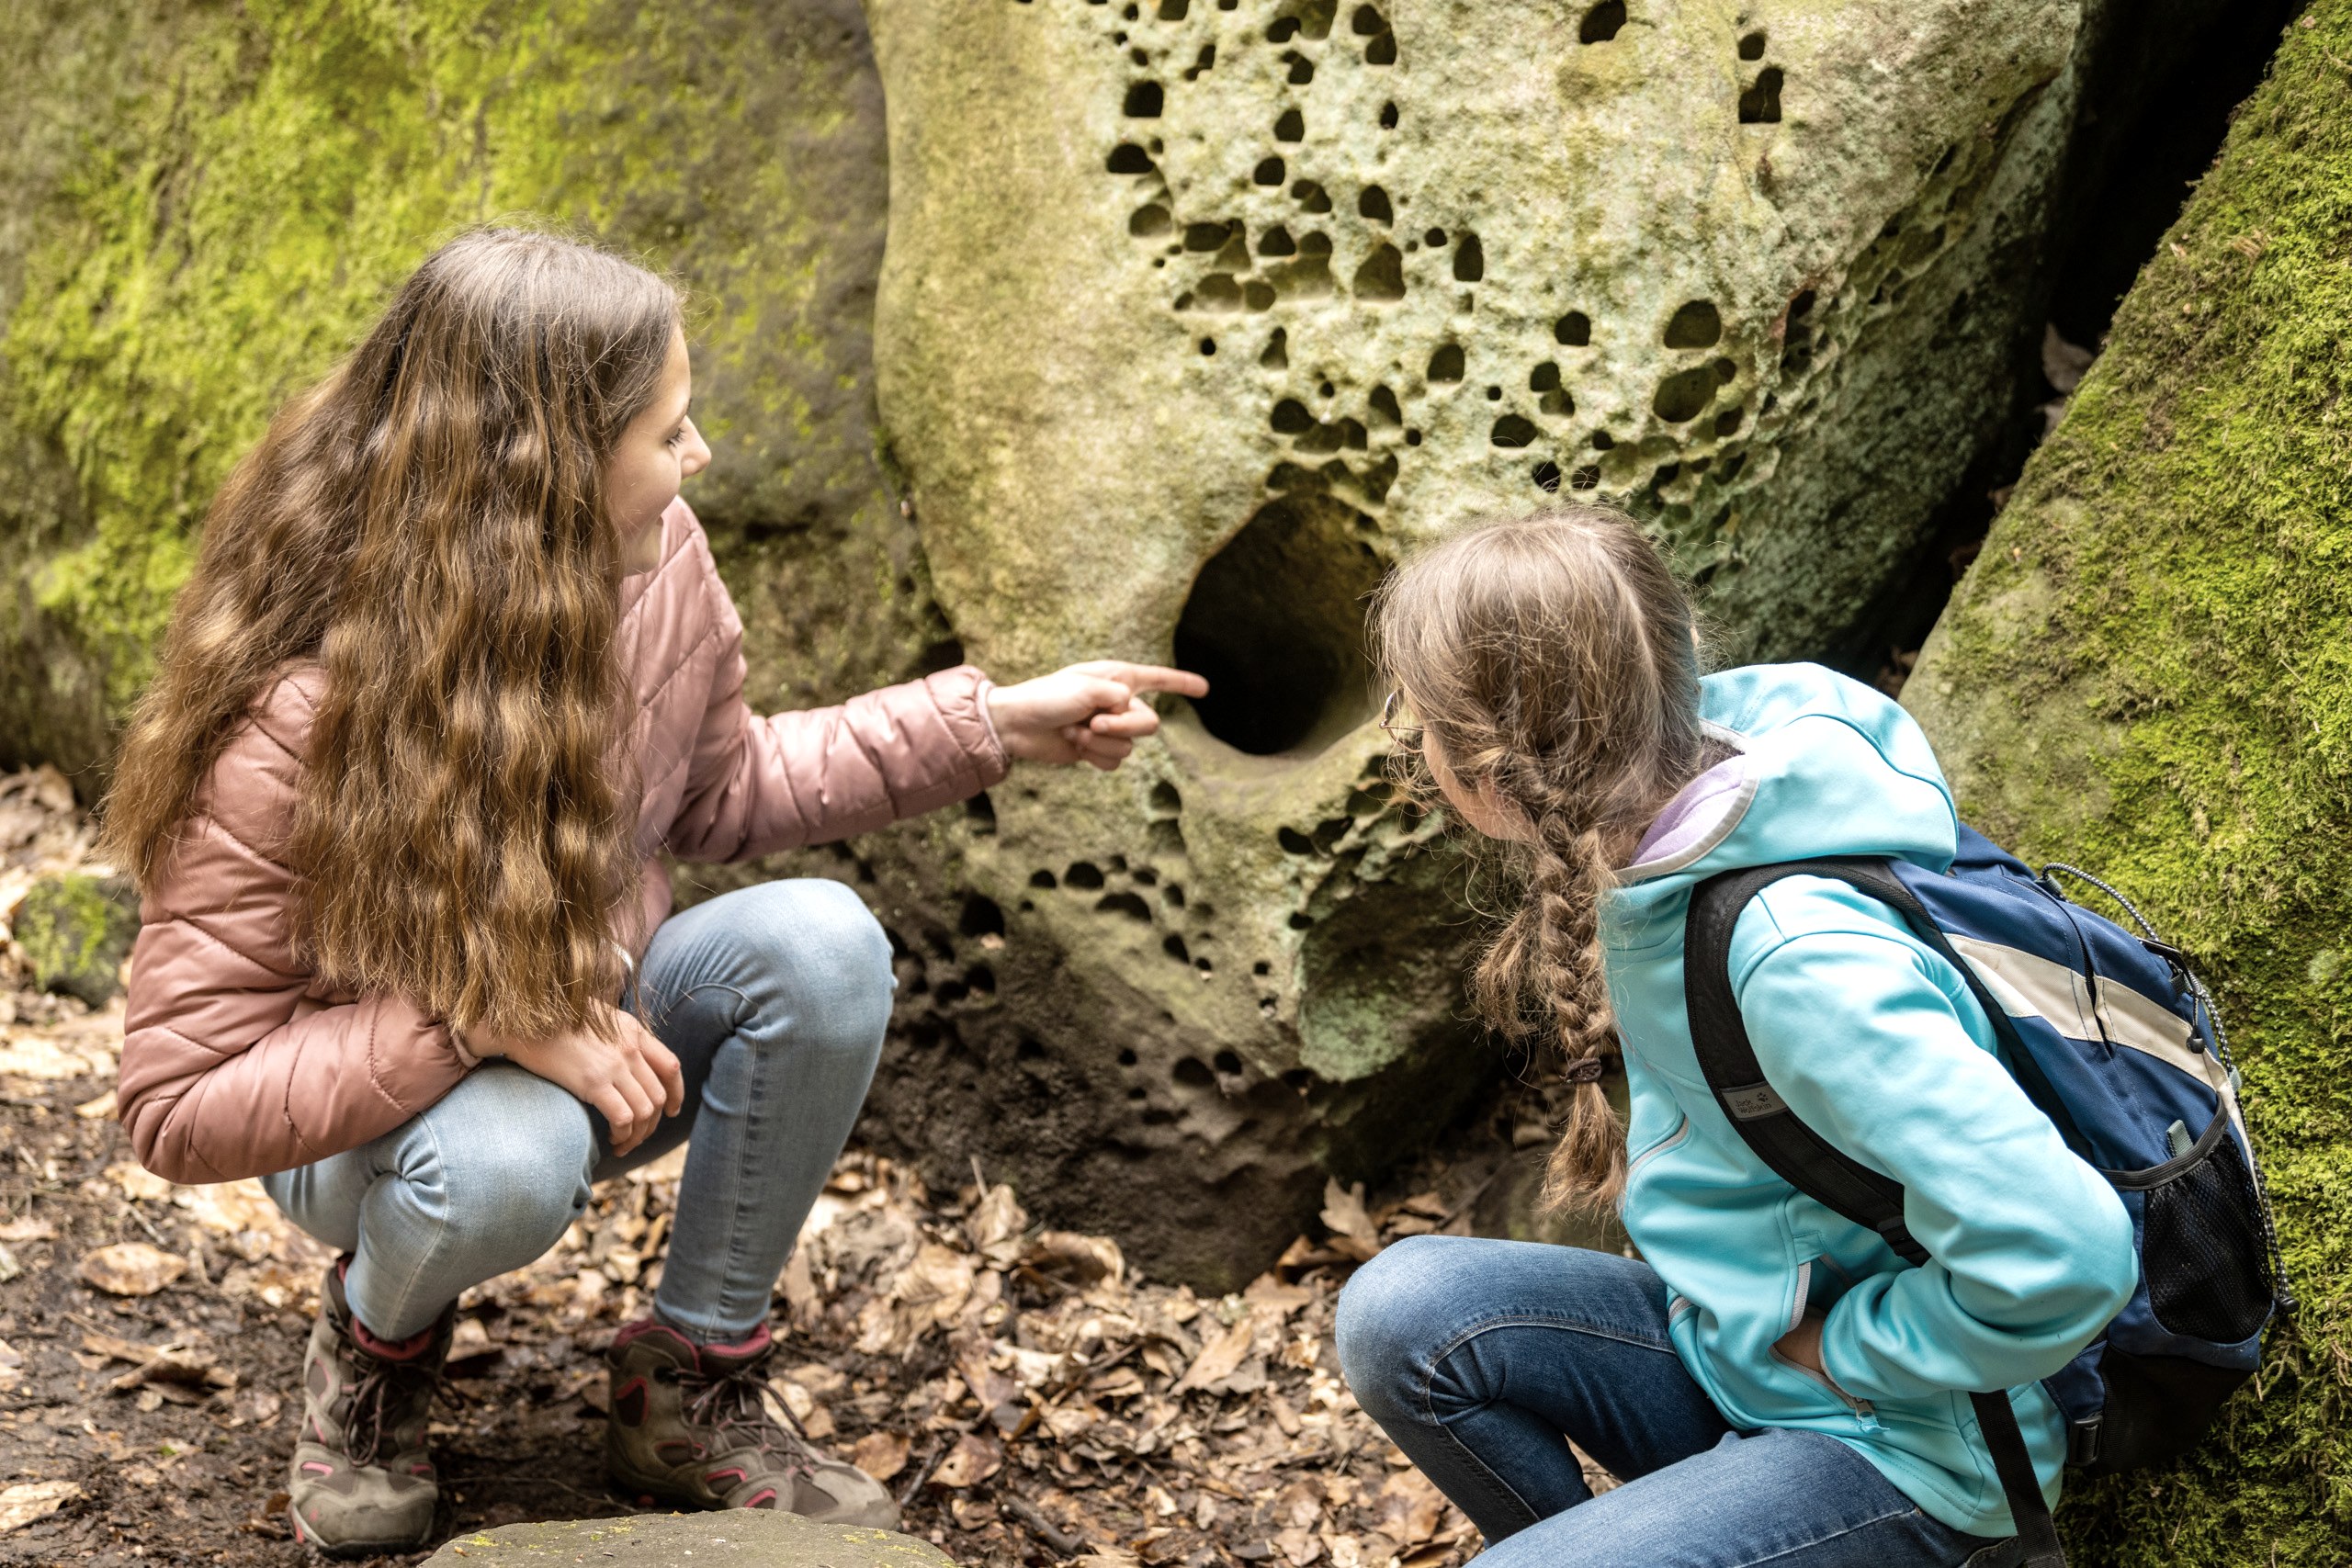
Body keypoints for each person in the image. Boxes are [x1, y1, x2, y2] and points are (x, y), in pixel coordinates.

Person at [100, 227, 1205, 1557]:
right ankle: (376, 1347)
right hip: (367, 1129)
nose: (703, 456)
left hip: (594, 1031)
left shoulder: (658, 554)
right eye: (670, 431)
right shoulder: (297, 707)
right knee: (506, 1158)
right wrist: (480, 1018)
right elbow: (175, 1105)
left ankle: (687, 1386)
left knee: (821, 941)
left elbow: (723, 788)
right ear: (552, 468)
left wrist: (989, 725)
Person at [1332, 507, 2137, 1568]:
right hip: (1738, 1348)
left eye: (1416, 721)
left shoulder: (1795, 961)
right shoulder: (1679, 807)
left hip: (1906, 1441)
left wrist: (1848, 1353)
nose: (1413, 744)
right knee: (1400, 1314)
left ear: (1495, 763)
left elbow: (2067, 1253)